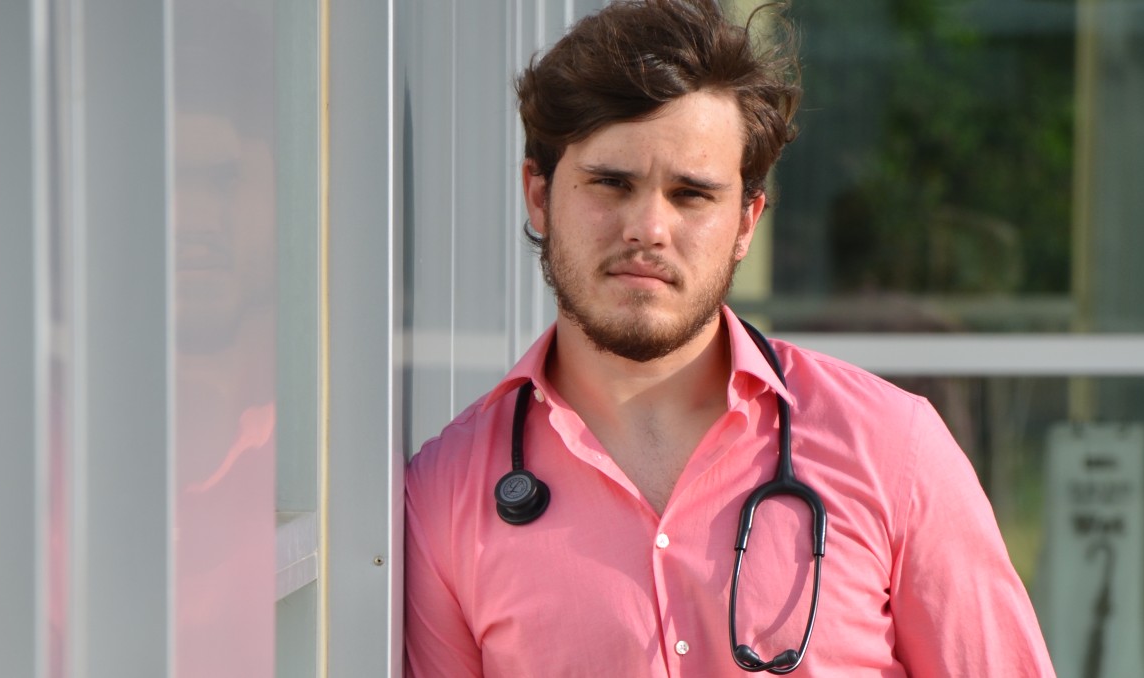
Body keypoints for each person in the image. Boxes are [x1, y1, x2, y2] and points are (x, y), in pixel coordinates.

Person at [404, 1, 1055, 675]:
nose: (647, 228)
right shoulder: (446, 493)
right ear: (539, 196)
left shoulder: (893, 450)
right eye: (611, 184)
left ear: (746, 221)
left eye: (691, 194)